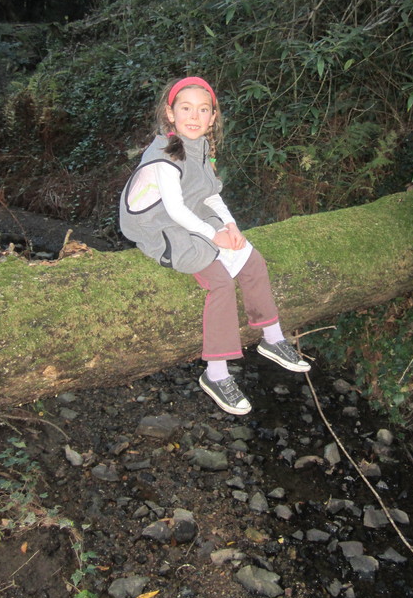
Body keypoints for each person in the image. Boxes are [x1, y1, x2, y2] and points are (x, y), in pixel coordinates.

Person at [119, 76, 310, 416]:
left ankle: (273, 338)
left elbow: (209, 195)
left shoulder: (201, 147)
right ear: (170, 114)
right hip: (159, 225)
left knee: (251, 259)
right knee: (220, 281)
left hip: (189, 213)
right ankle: (217, 374)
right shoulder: (164, 153)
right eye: (186, 108)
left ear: (213, 117)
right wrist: (214, 236)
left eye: (203, 110)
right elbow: (175, 210)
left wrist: (230, 226)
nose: (194, 116)